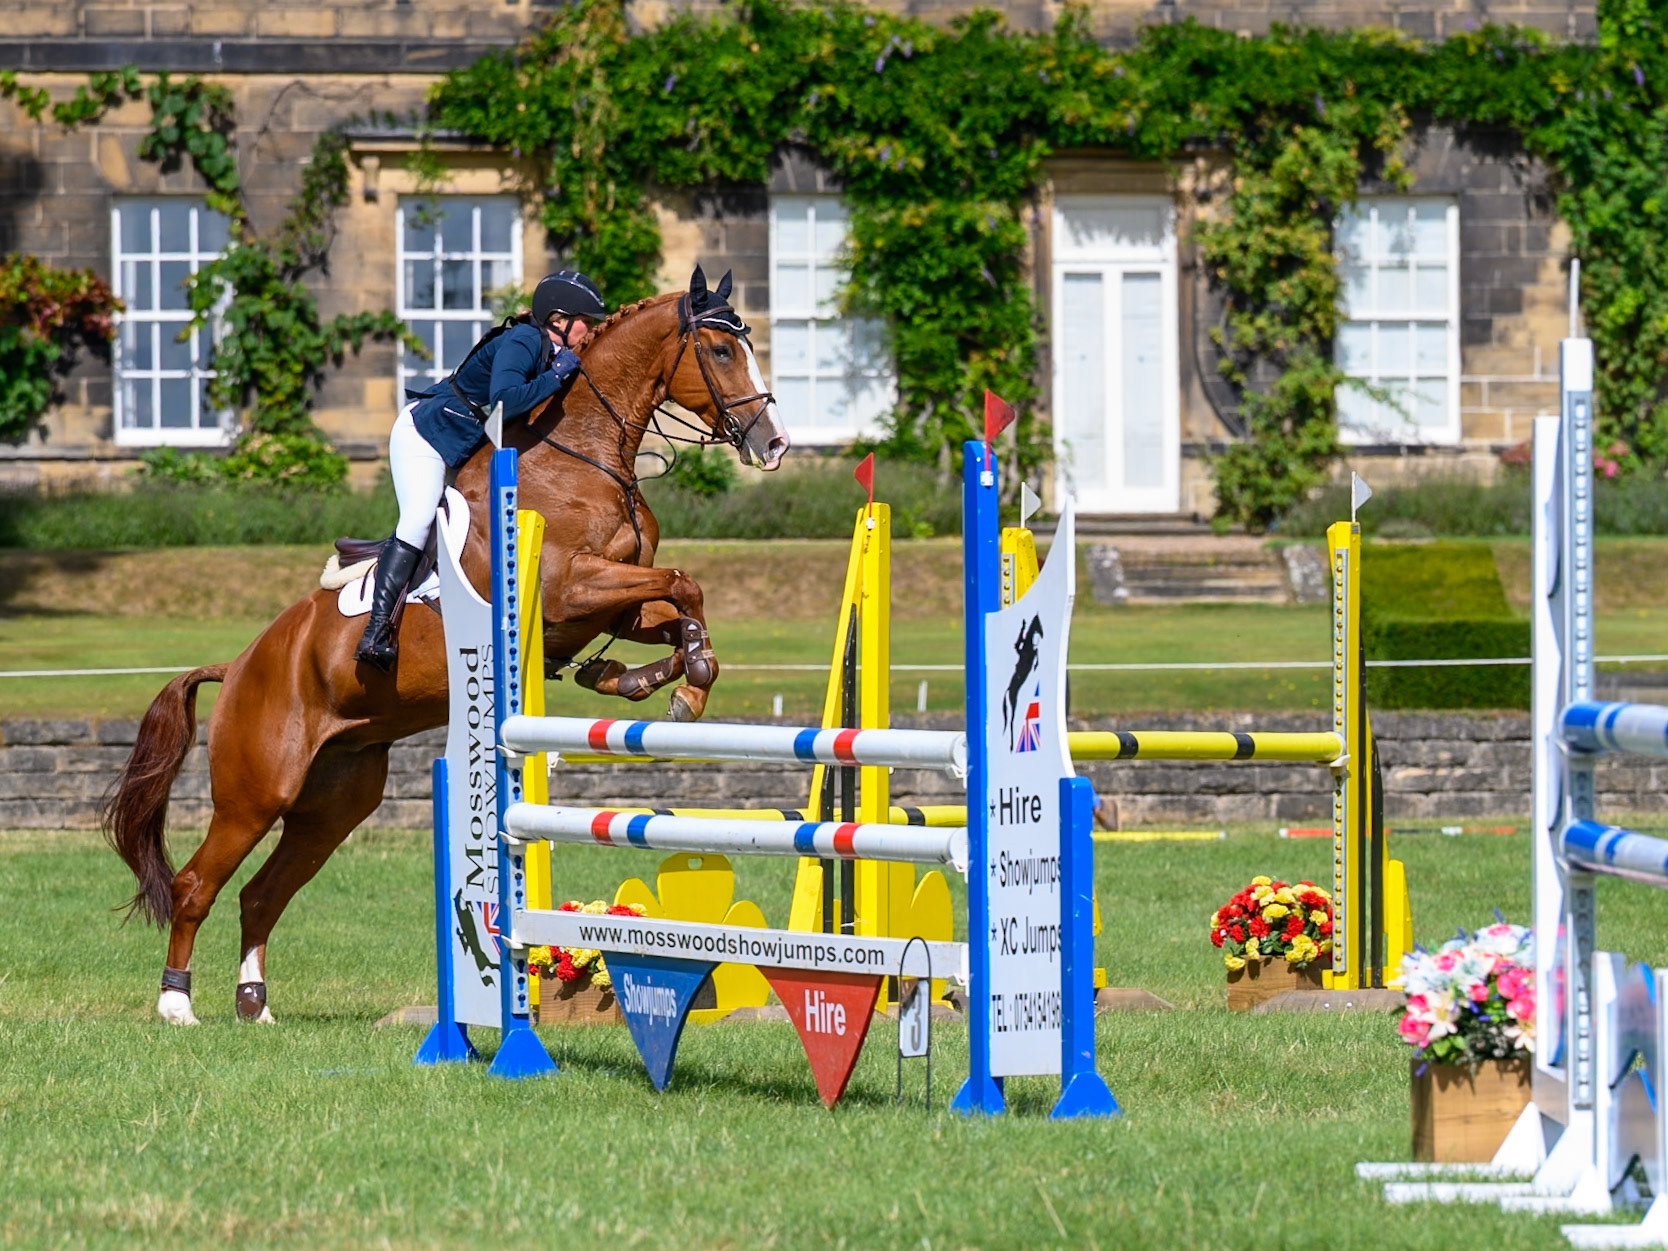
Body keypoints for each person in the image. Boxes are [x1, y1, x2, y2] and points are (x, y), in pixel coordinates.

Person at [355, 269, 607, 670]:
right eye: (586, 322)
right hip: (428, 436)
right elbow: (505, 399)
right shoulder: (524, 339)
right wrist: (559, 375)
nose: (590, 330)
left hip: (465, 447)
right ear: (558, 320)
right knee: (420, 520)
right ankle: (375, 631)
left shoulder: (551, 351)